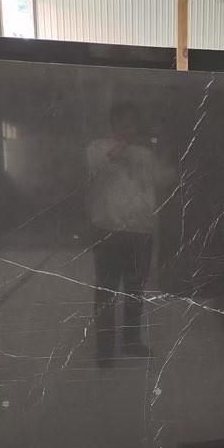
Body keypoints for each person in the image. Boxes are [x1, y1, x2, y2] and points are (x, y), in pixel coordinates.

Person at [87, 101, 160, 363]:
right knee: (106, 292)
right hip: (108, 231)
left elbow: (155, 184)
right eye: (124, 125)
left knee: (134, 290)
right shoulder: (96, 149)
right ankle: (105, 350)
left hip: (140, 232)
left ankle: (131, 342)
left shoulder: (145, 155)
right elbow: (103, 167)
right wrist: (125, 144)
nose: (129, 130)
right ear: (113, 125)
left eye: (133, 125)